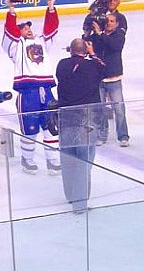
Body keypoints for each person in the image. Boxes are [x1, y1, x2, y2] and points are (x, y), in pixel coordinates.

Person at [1, 0, 61, 174]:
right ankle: (27, 160)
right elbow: (10, 31)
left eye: (28, 26)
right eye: (22, 27)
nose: (27, 28)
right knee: (30, 130)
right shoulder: (14, 46)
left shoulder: (41, 41)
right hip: (28, 93)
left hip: (47, 92)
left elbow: (51, 28)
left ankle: (52, 161)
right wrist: (11, 10)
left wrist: (50, 5)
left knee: (51, 128)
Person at [56, 38, 105, 213]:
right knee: (83, 163)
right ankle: (80, 203)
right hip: (86, 122)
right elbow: (104, 69)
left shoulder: (62, 65)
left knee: (68, 159)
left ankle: (70, 196)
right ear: (85, 50)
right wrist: (92, 53)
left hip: (66, 120)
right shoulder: (91, 66)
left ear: (70, 50)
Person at [89, 14, 130, 147]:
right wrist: (89, 29)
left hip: (114, 78)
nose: (109, 23)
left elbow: (114, 46)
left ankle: (123, 135)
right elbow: (87, 44)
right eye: (107, 21)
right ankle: (101, 135)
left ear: (117, 24)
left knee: (119, 109)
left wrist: (100, 33)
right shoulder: (97, 36)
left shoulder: (119, 36)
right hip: (98, 78)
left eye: (112, 21)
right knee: (99, 109)